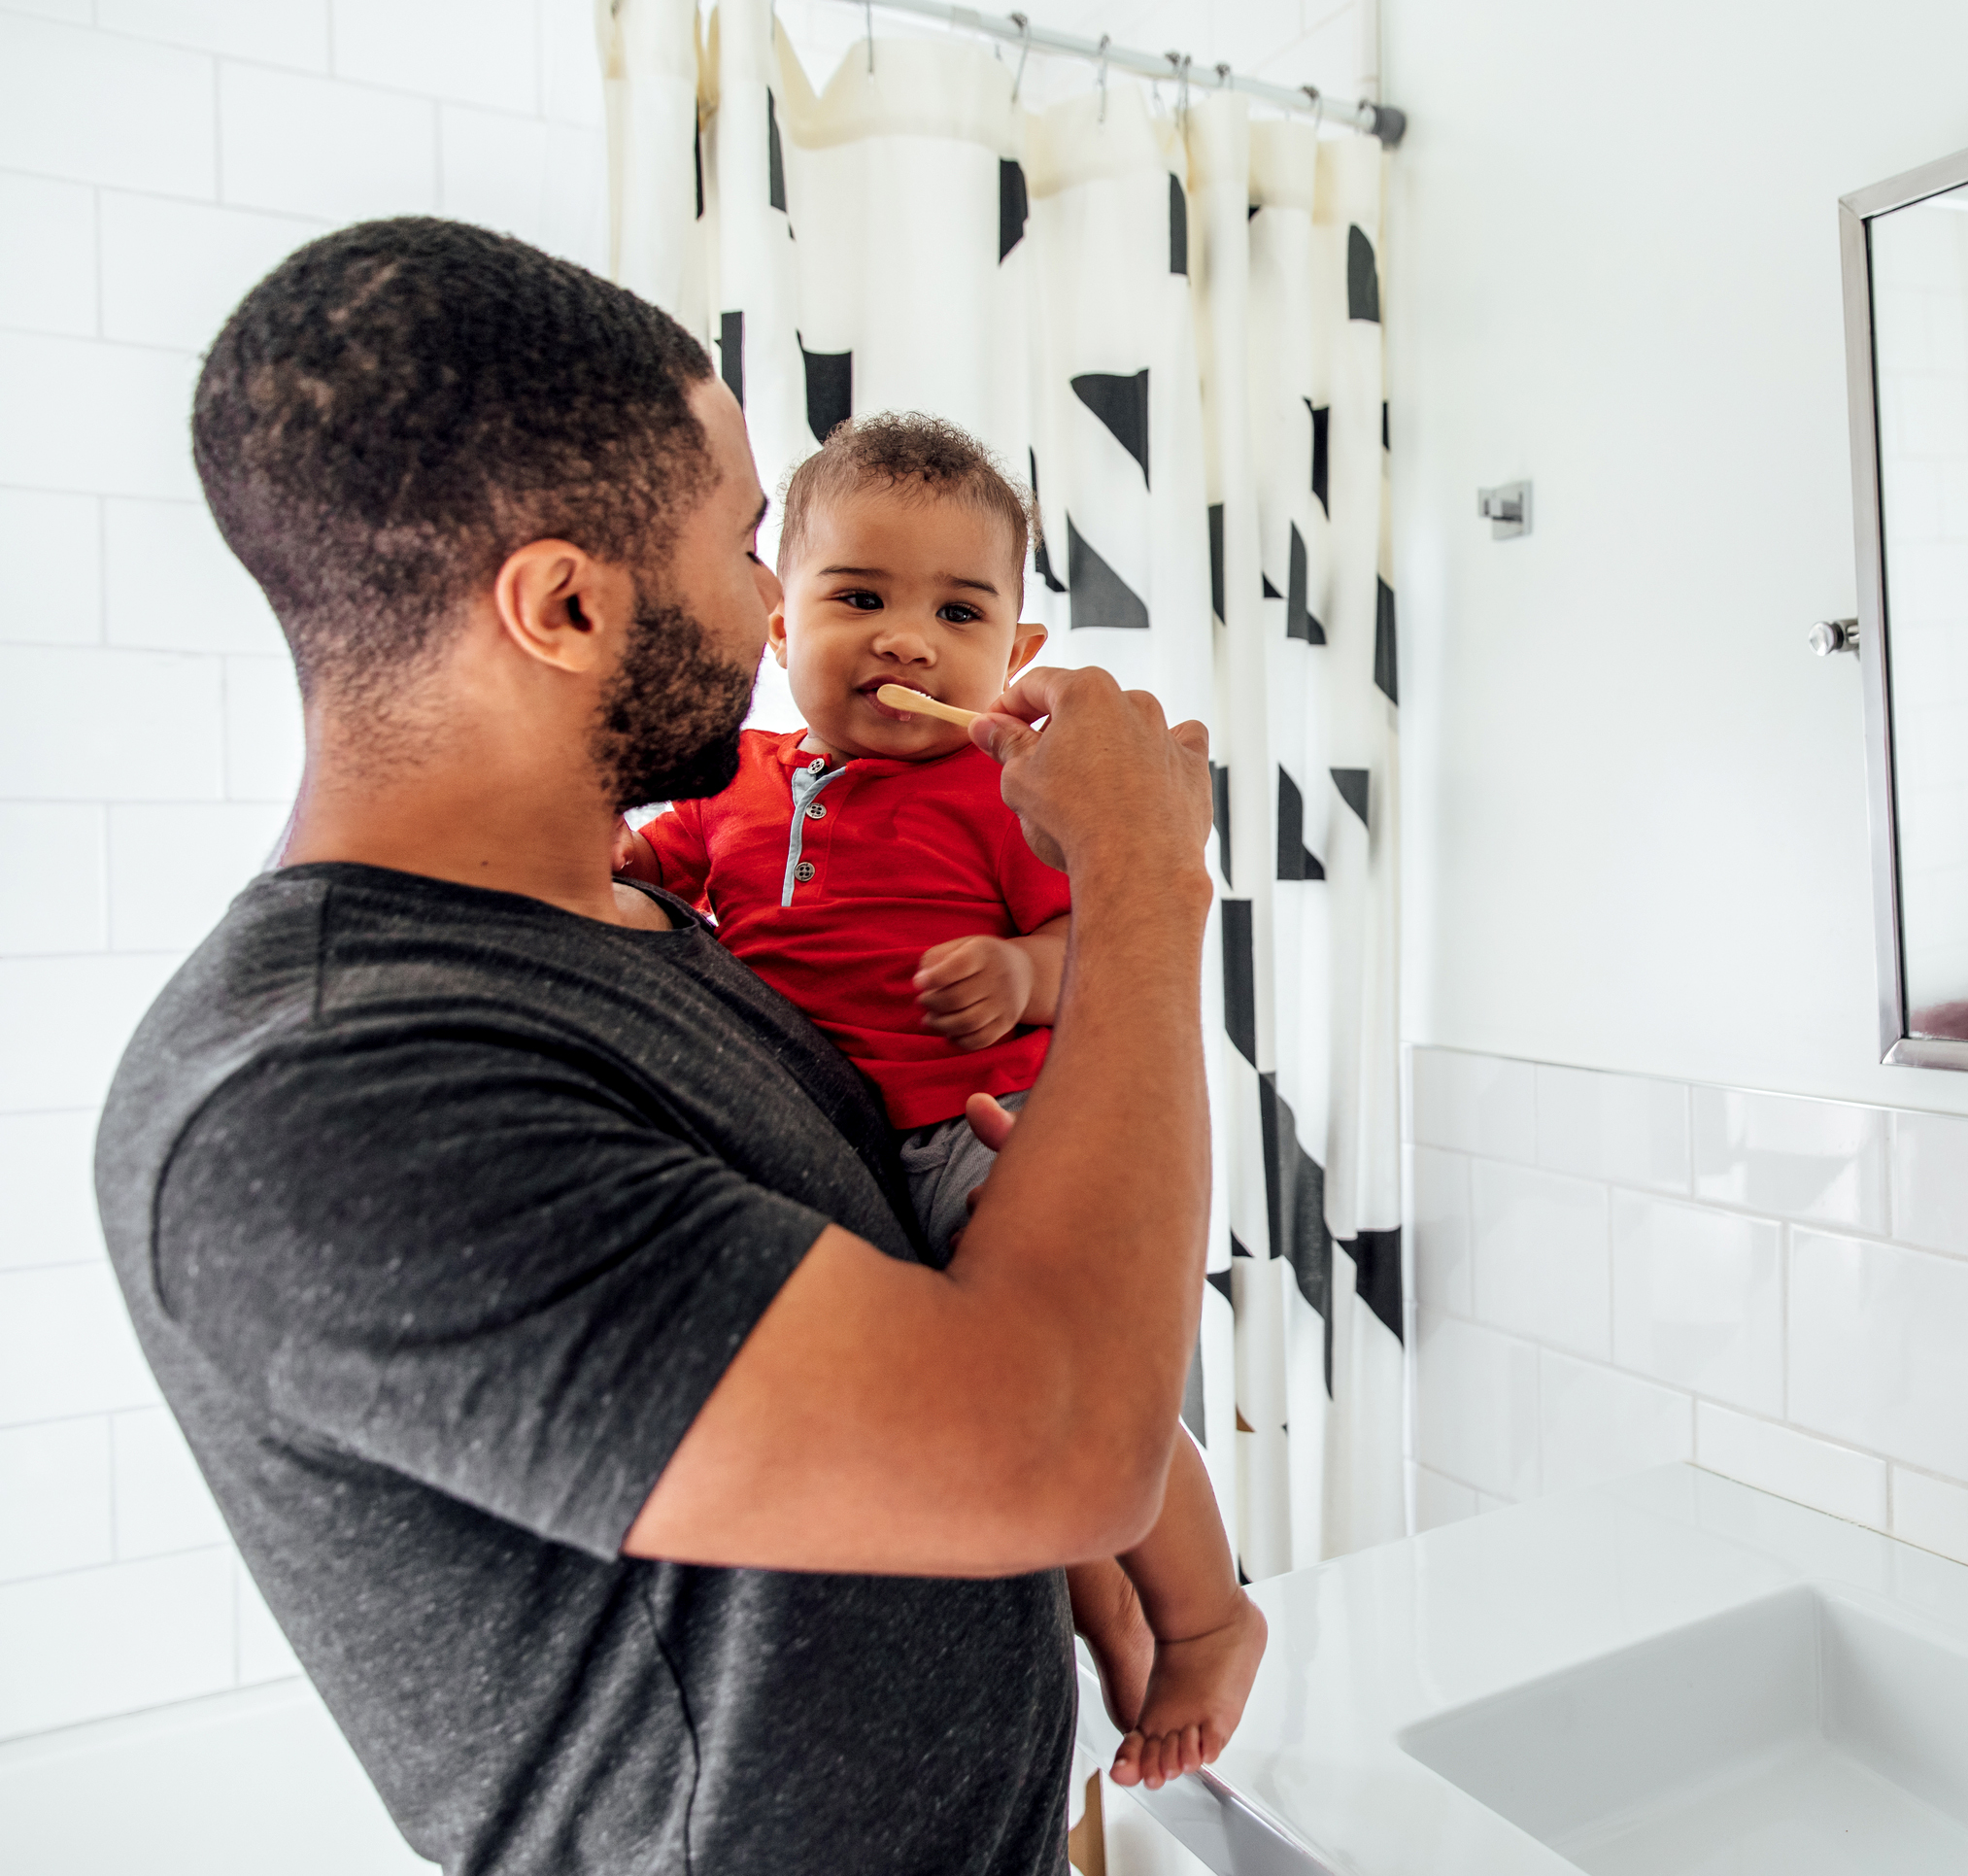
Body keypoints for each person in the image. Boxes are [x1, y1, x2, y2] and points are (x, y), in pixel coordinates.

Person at [94, 218, 1216, 1875]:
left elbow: (911, 1369)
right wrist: (1142, 885)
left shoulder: (644, 934)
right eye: (747, 540)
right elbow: (1054, 1440)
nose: (776, 599)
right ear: (562, 602)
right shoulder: (322, 1096)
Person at [612, 410, 1263, 1789]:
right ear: (777, 628)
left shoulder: (1007, 792)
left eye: (958, 611)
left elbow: (1108, 941)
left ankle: (1208, 1614)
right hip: (832, 1167)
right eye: (858, 598)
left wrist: (1025, 969)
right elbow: (643, 873)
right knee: (1019, 1459)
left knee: (1086, 1400)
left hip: (972, 1142)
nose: (906, 639)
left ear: (1013, 658)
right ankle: (1119, 1642)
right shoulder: (734, 784)